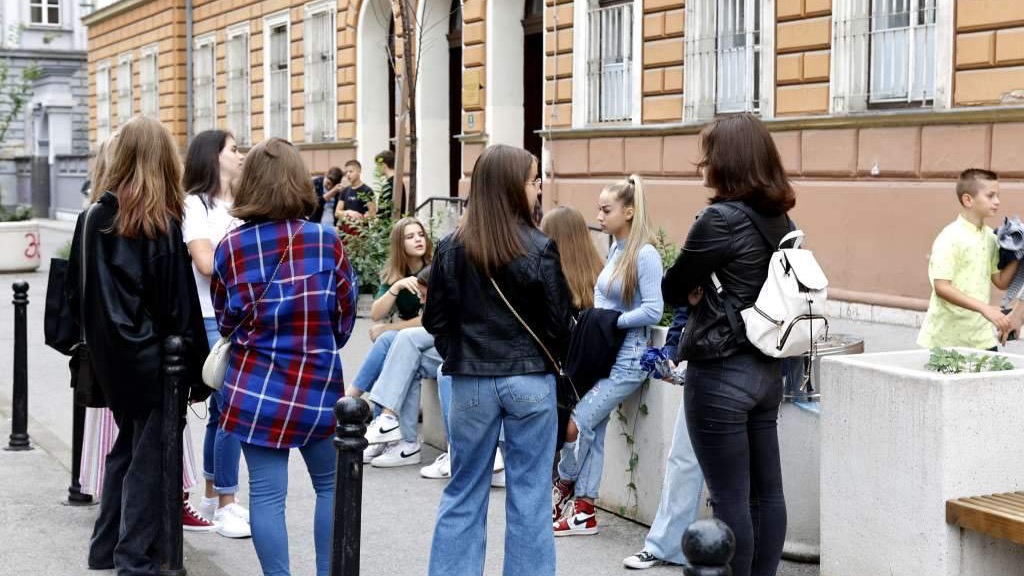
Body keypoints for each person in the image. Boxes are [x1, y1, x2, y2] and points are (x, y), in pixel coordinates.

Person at [68, 115, 211, 574]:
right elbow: (178, 305)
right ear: (163, 158)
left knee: (127, 451)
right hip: (154, 361)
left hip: (114, 361)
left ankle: (106, 547)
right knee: (152, 462)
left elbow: (77, 290)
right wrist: (194, 370)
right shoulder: (160, 221)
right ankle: (134, 559)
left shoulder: (94, 216)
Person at [211, 137, 357, 576]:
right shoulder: (325, 242)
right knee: (330, 487)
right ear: (297, 181)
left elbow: (225, 320)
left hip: (255, 386)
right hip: (316, 383)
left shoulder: (231, 247)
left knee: (267, 495)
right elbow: (345, 320)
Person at [424, 144, 571, 576]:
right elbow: (561, 324)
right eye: (533, 179)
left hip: (470, 379)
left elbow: (435, 320)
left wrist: (459, 354)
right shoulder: (540, 246)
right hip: (529, 380)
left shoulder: (451, 247)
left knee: (464, 489)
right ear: (511, 186)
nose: (539, 186)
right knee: (530, 495)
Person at [660, 112, 797, 576]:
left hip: (720, 372)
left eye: (708, 155)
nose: (702, 163)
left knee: (729, 497)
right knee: (767, 492)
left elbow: (673, 289)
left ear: (727, 161)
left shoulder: (719, 220)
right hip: (765, 371)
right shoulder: (779, 217)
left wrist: (696, 290)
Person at [551, 175, 664, 537]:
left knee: (575, 423)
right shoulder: (616, 248)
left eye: (606, 209)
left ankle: (562, 488)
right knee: (592, 429)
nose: (598, 215)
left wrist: (613, 322)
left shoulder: (644, 254)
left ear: (629, 211)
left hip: (629, 360)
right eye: (599, 208)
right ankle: (584, 511)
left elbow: (653, 310)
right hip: (605, 355)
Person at [181, 129, 251, 539]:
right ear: (213, 157)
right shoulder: (196, 204)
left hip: (239, 316)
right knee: (230, 409)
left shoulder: (240, 205)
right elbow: (205, 263)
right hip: (212, 317)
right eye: (234, 149)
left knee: (224, 413)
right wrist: (250, 262)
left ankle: (213, 494)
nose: (240, 155)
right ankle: (226, 500)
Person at [621, 306, 706, 570]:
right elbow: (685, 301)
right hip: (708, 363)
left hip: (756, 362)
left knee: (749, 470)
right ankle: (665, 545)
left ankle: (746, 555)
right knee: (684, 457)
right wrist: (671, 351)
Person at [917, 168, 1018, 351]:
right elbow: (942, 287)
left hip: (982, 339)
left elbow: (1001, 281)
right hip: (946, 340)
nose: (997, 201)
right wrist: (985, 308)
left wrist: (1019, 254)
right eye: (990, 196)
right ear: (968, 200)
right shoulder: (949, 237)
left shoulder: (990, 237)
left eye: (998, 195)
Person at [345, 216, 432, 403]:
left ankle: (350, 397)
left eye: (421, 234)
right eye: (410, 237)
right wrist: (396, 287)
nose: (418, 239)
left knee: (385, 339)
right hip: (408, 338)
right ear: (399, 245)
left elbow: (429, 319)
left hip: (432, 334)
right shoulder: (396, 274)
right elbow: (376, 314)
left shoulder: (434, 270)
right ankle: (378, 413)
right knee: (389, 348)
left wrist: (388, 328)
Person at [375, 149, 405, 216]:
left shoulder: (389, 185)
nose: (376, 168)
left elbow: (385, 211)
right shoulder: (398, 182)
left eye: (377, 165)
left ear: (383, 165)